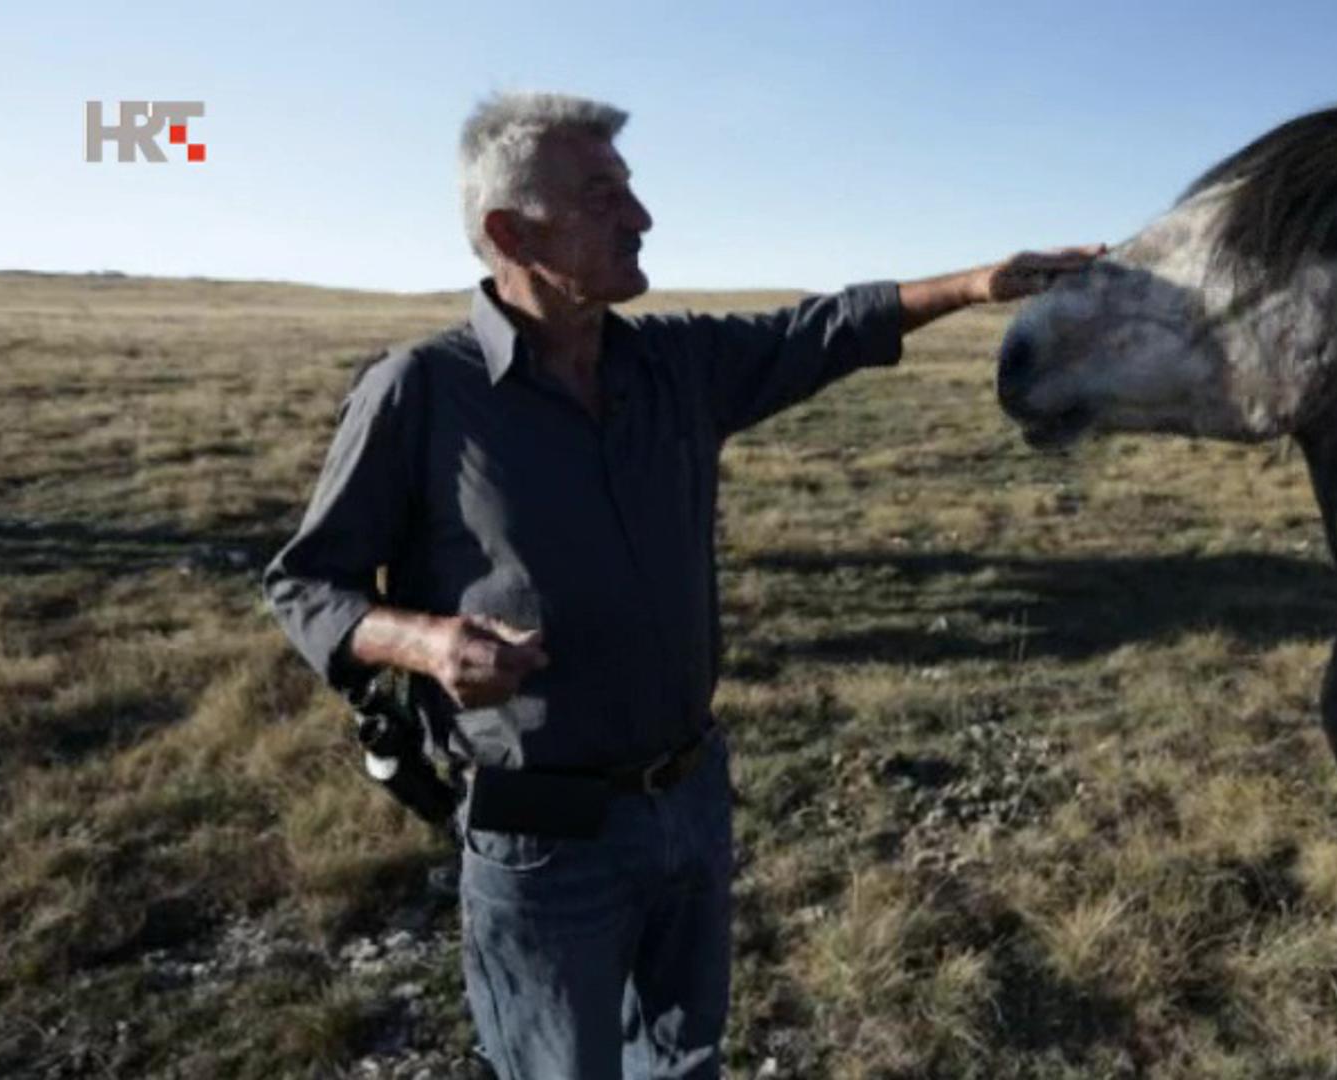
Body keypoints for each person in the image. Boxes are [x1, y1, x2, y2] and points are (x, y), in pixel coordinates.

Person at [263, 90, 1101, 1080]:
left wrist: (975, 284)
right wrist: (427, 645)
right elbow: (308, 585)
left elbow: (823, 330)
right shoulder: (420, 391)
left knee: (683, 1060)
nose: (641, 217)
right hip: (543, 830)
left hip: (690, 798)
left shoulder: (676, 366)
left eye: (631, 189)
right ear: (508, 230)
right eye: (601, 195)